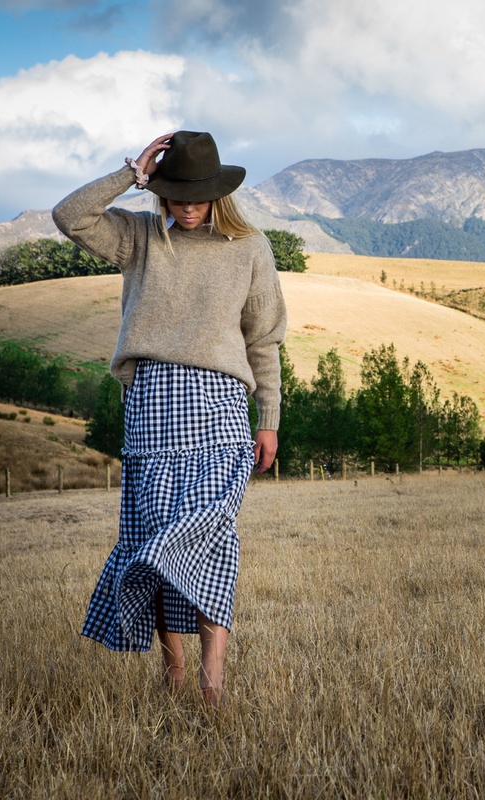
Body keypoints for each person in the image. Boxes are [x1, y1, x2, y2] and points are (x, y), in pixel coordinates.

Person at [53, 131, 287, 705]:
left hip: (222, 410)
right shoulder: (138, 238)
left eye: (197, 195)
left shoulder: (251, 247)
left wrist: (269, 418)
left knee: (211, 537)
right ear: (160, 191)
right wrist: (131, 173)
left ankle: (212, 683)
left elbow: (265, 340)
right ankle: (173, 672)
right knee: (155, 543)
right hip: (153, 405)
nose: (186, 204)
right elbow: (70, 215)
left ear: (217, 194)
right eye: (174, 192)